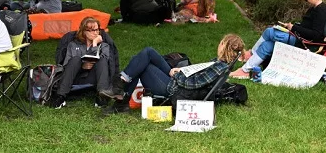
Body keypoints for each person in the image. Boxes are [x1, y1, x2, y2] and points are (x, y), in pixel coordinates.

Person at [99, 34, 244, 113]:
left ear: (224, 46)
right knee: (145, 56)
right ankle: (120, 92)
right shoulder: (220, 65)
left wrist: (177, 75)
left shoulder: (218, 67)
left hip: (176, 89)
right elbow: (198, 77)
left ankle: (120, 93)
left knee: (142, 61)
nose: (218, 45)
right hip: (179, 82)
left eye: (221, 43)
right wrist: (182, 70)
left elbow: (193, 84)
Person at [230, 0, 326, 79]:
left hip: (304, 43)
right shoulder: (314, 9)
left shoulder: (321, 10)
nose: (304, 0)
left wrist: (294, 28)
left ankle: (251, 55)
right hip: (299, 37)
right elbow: (307, 27)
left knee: (270, 32)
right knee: (267, 45)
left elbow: (316, 35)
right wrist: (291, 26)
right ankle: (245, 71)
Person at [50, 17, 119, 109]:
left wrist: (95, 44)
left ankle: (101, 97)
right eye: (91, 30)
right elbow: (66, 65)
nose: (95, 33)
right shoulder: (73, 45)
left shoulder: (104, 46)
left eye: (97, 30)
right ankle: (60, 97)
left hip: (95, 77)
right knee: (75, 59)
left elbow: (107, 64)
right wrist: (82, 67)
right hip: (75, 77)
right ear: (84, 31)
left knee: (102, 60)